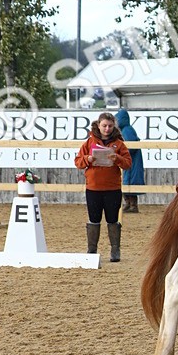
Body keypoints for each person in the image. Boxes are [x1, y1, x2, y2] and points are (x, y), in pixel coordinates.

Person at [74, 111, 132, 261]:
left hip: (112, 189)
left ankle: (115, 251)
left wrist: (117, 157)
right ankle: (92, 250)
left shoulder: (119, 144)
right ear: (98, 125)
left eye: (110, 126)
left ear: (114, 127)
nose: (107, 129)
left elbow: (128, 164)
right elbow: (78, 162)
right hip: (93, 188)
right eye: (104, 126)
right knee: (94, 219)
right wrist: (88, 158)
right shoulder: (89, 142)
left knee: (112, 219)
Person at [115, 108, 145, 213]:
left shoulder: (127, 130)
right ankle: (128, 203)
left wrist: (122, 152)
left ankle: (133, 205)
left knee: (131, 181)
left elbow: (132, 146)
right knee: (126, 180)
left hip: (132, 160)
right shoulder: (125, 130)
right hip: (129, 159)